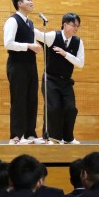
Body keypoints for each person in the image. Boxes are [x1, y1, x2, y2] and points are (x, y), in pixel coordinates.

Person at [35, 12, 84, 144]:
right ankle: (52, 137)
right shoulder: (53, 36)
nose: (76, 28)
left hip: (66, 81)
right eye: (73, 25)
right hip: (50, 79)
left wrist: (65, 54)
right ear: (65, 25)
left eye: (78, 26)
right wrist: (26, 24)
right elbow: (37, 34)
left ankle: (68, 138)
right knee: (53, 108)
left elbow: (80, 63)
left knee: (71, 109)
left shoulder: (78, 42)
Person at [4, 0, 43, 144]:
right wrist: (28, 46)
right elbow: (8, 43)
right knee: (19, 99)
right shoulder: (12, 21)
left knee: (32, 99)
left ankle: (30, 134)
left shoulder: (30, 23)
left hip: (30, 65)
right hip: (17, 64)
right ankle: (16, 136)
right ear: (19, 4)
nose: (31, 2)